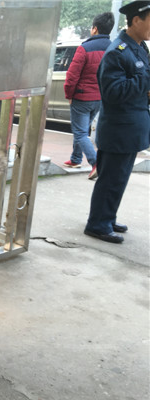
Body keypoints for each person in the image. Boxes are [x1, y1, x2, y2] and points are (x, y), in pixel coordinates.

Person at [84, 0, 150, 244]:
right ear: (136, 20)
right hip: (119, 130)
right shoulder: (117, 51)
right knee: (110, 179)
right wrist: (147, 79)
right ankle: (97, 224)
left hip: (130, 129)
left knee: (118, 179)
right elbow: (114, 92)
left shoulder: (139, 47)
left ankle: (107, 218)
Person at [63, 12, 115, 180]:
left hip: (82, 97)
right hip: (99, 98)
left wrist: (69, 94)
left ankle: (96, 163)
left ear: (94, 29)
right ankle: (75, 159)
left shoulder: (85, 48)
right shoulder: (113, 48)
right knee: (83, 129)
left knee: (79, 132)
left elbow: (72, 76)